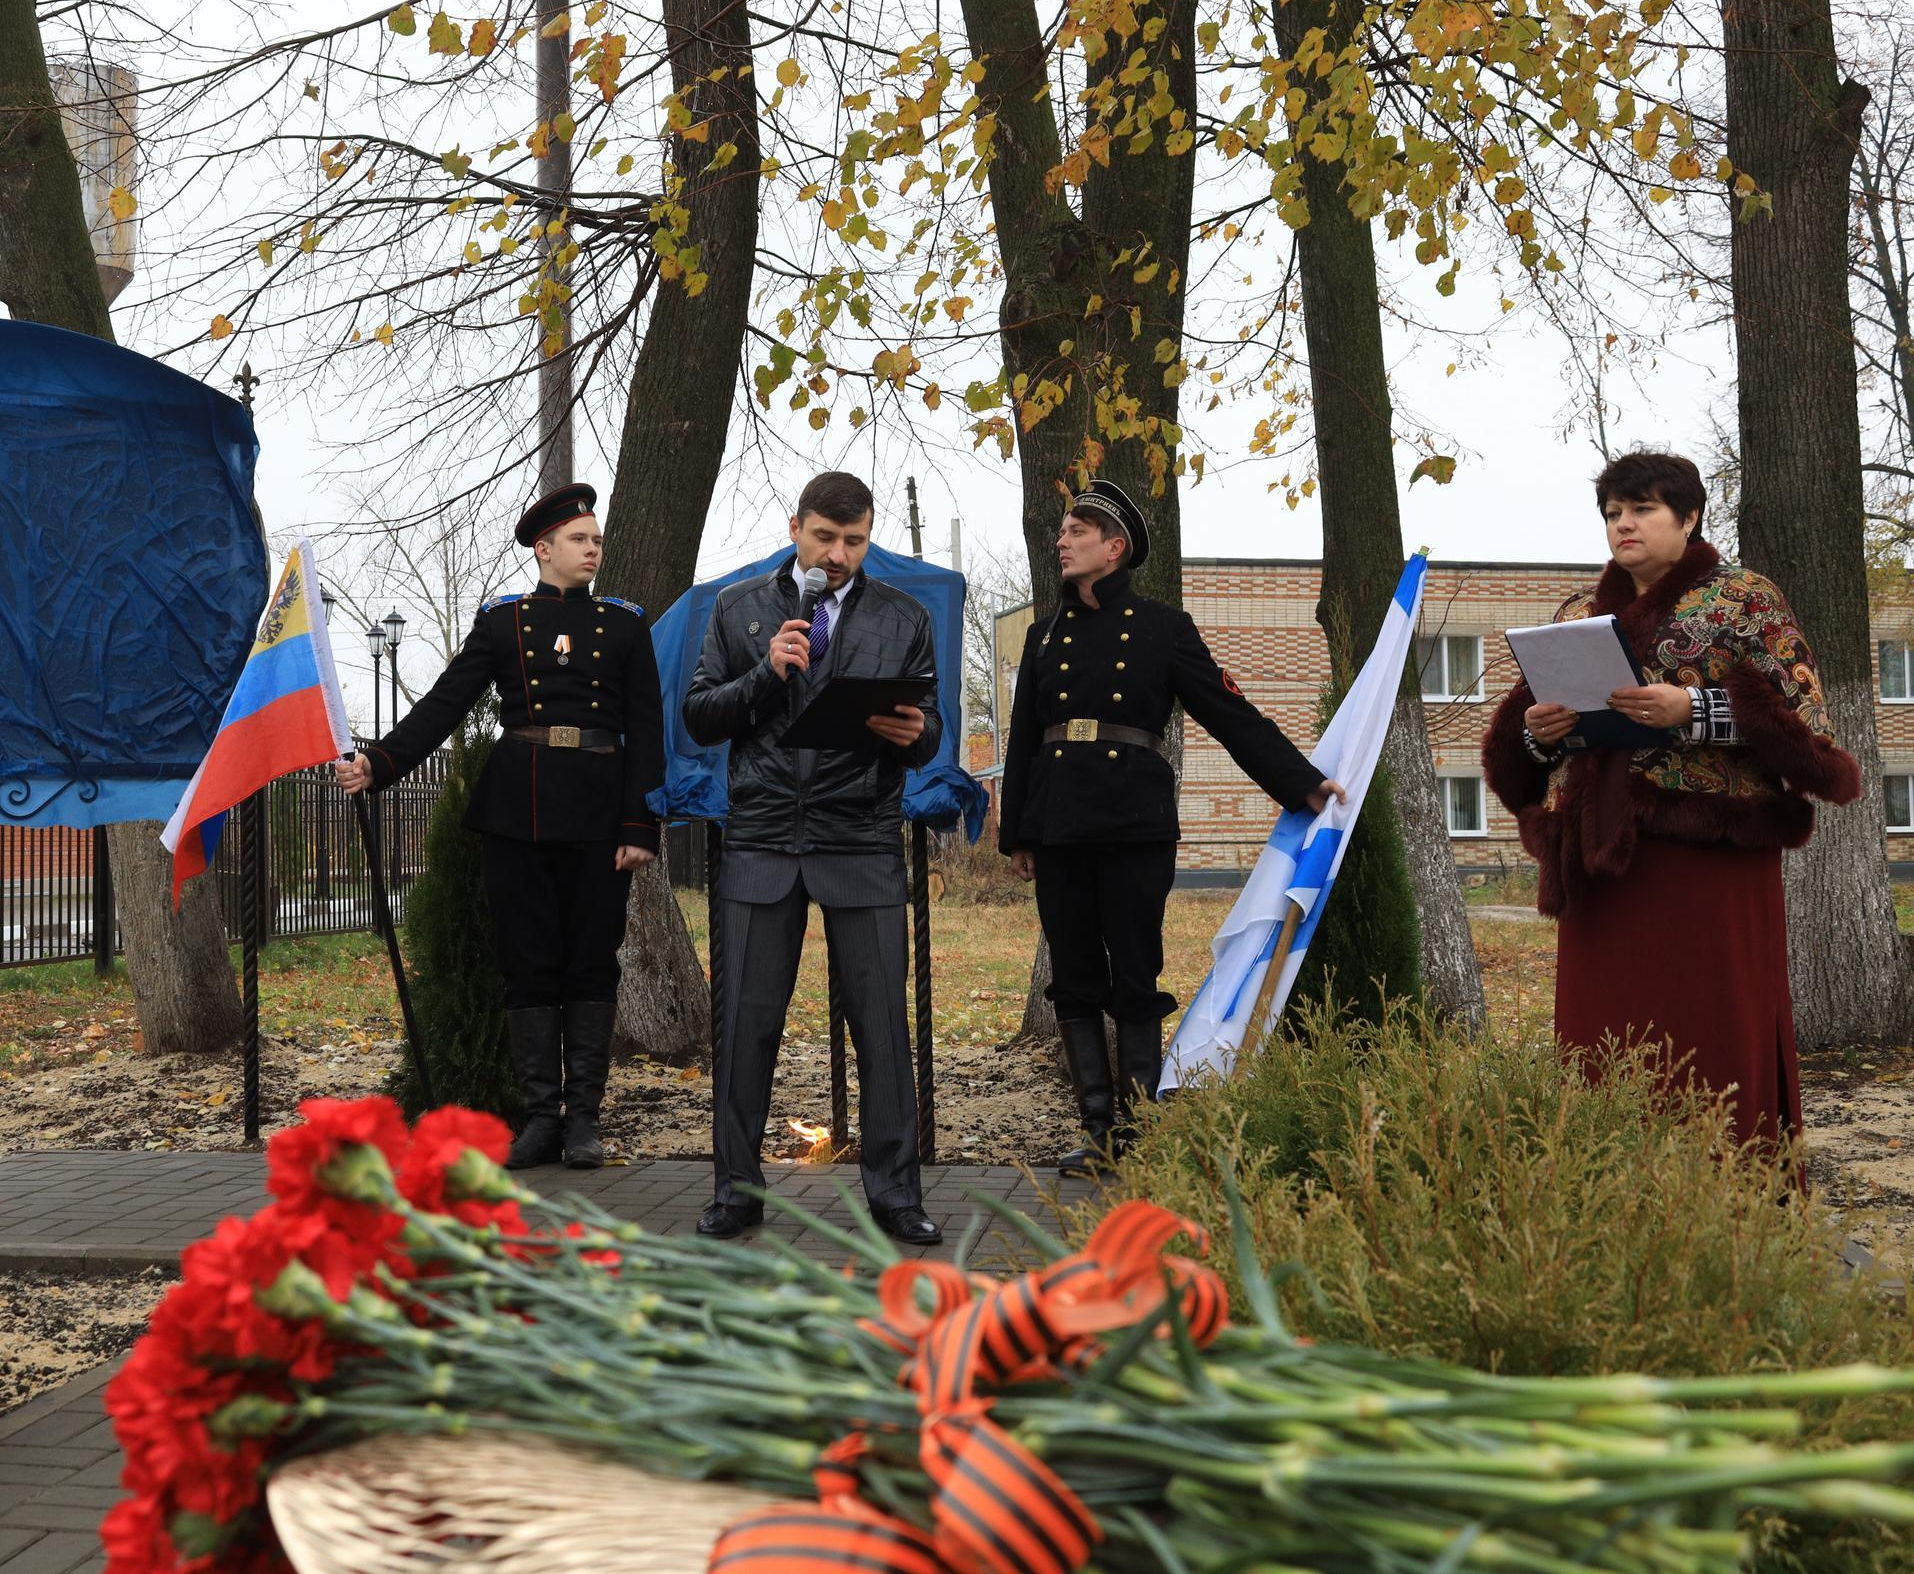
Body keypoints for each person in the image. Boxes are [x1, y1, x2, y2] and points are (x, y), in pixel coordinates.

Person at [1481, 451, 1860, 1150]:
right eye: (1612, 513)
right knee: (1604, 1051)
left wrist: (1695, 710)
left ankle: (1727, 1205)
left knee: (1710, 1043)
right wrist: (1538, 736)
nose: (1623, 524)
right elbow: (1518, 767)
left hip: (1708, 871)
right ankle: (1616, 1204)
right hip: (1598, 878)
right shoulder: (1576, 615)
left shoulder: (1745, 600)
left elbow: (1811, 740)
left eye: (1642, 509)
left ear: (1688, 517)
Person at [999, 480, 1343, 1175]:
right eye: (1061, 530)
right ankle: (1096, 1129)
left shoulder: (1161, 627)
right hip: (1060, 822)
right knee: (1072, 978)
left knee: (1133, 972)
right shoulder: (1043, 636)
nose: (1060, 541)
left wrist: (1301, 782)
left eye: (1076, 531)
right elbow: (1024, 739)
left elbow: (1229, 711)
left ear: (1114, 546)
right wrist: (1018, 832)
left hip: (1133, 822)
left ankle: (1137, 1129)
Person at [338, 484, 662, 1170]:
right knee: (528, 965)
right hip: (522, 810)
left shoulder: (627, 625)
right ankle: (542, 1117)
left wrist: (641, 823)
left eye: (596, 538)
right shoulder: (503, 623)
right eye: (580, 538)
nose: (593, 547)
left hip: (602, 812)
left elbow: (647, 730)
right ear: (544, 548)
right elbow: (446, 702)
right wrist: (381, 761)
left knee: (591, 964)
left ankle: (583, 1123)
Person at [682, 471, 944, 1244]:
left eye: (854, 541)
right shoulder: (738, 609)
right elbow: (699, 716)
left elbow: (931, 726)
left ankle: (895, 1194)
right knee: (746, 1026)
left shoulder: (905, 617)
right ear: (795, 527)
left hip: (860, 838)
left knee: (881, 1026)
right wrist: (767, 671)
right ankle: (736, 1191)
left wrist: (916, 735)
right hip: (763, 839)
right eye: (825, 538)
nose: (838, 554)